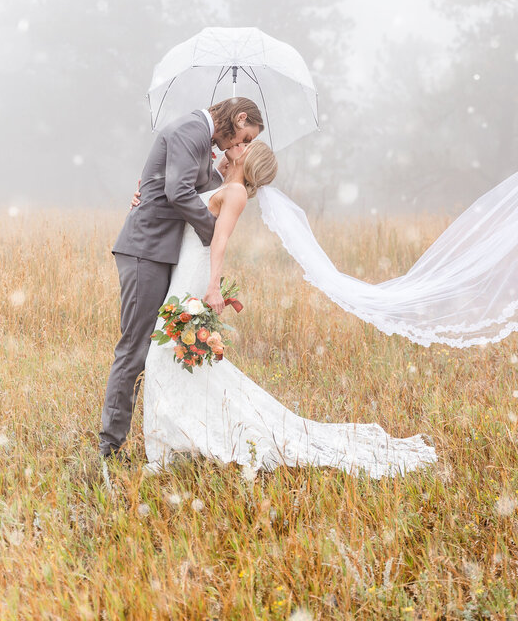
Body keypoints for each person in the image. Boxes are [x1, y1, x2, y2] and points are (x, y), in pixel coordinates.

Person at [140, 140, 437, 478]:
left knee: (164, 355)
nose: (236, 144)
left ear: (247, 159)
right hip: (185, 271)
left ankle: (171, 446)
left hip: (195, 276)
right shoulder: (225, 185)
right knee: (174, 358)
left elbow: (218, 240)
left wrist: (212, 287)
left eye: (243, 144)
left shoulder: (235, 192)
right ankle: (178, 439)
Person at [100, 97, 263, 460]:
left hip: (163, 252)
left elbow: (171, 187)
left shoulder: (201, 142)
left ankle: (165, 433)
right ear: (238, 119)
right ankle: (109, 447)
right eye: (245, 137)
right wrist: (214, 231)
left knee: (155, 350)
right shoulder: (191, 130)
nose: (242, 146)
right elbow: (177, 193)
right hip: (146, 249)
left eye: (248, 144)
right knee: (135, 347)